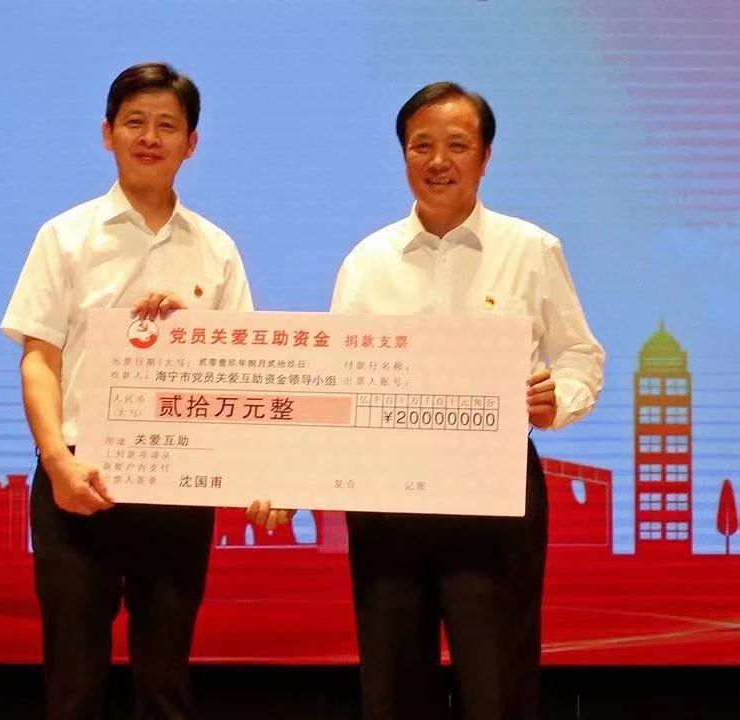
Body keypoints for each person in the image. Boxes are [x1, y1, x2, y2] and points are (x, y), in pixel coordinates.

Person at [250, 81, 604, 719]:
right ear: (404, 155)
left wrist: (561, 399)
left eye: (457, 145)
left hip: (494, 492)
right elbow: (336, 384)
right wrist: (295, 477)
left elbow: (580, 355)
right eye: (421, 146)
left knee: (497, 686)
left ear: (485, 157)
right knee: (392, 685)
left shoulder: (531, 249)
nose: (438, 161)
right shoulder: (368, 260)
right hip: (387, 497)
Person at [0, 62, 253, 720]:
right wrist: (57, 462)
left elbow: (243, 370)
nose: (149, 137)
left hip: (178, 481)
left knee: (165, 682)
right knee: (74, 683)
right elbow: (39, 358)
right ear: (107, 133)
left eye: (167, 125)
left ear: (191, 143)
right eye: (134, 122)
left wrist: (192, 335)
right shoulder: (65, 237)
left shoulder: (217, 249)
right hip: (77, 477)